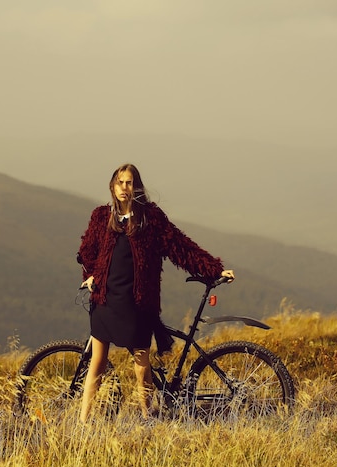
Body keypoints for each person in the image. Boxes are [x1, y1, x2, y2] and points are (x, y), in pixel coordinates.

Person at [77, 163, 234, 422]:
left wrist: (214, 269)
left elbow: (181, 246)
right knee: (97, 363)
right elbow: (87, 251)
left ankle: (148, 417)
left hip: (136, 303)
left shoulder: (150, 218)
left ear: (137, 187)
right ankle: (83, 422)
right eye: (120, 183)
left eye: (129, 183)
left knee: (141, 367)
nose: (124, 188)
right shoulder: (101, 216)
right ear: (112, 187)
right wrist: (90, 275)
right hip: (104, 300)